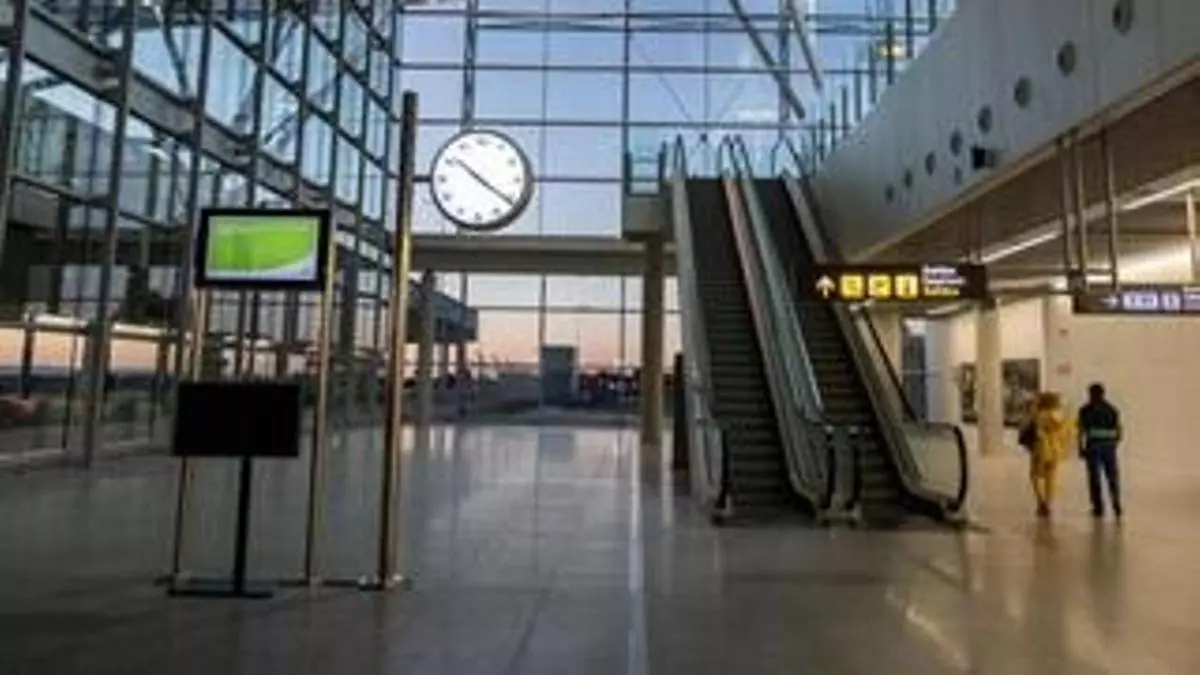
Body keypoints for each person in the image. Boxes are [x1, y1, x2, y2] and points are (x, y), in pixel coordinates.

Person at [1078, 383, 1123, 518]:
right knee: (1112, 477)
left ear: (1090, 394)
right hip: (1109, 446)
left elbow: (1081, 431)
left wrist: (1080, 448)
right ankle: (1116, 504)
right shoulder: (1112, 409)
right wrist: (1114, 443)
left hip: (1093, 446)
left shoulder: (1085, 410)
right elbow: (1119, 431)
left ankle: (1098, 507)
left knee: (1094, 477)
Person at [1029, 392, 1075, 518]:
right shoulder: (1061, 416)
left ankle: (1040, 502)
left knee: (1034, 475)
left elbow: (1036, 430)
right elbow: (1069, 431)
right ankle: (1048, 504)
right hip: (1055, 450)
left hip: (1040, 448)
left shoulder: (1040, 415)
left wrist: (1035, 406)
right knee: (1051, 477)